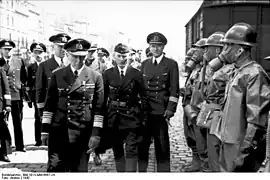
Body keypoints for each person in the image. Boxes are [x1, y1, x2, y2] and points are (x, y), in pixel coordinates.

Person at [41, 38, 104, 172]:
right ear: (67, 54)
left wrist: (95, 134)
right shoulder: (57, 75)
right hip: (59, 131)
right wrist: (45, 130)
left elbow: (99, 110)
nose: (79, 60)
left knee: (79, 171)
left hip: (82, 132)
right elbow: (49, 105)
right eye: (75, 56)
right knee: (55, 169)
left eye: (82, 57)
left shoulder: (95, 76)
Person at [217, 22, 270, 172]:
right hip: (228, 141)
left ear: (239, 50)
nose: (224, 51)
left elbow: (257, 120)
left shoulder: (255, 74)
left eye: (227, 46)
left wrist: (245, 152)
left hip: (239, 146)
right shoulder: (237, 71)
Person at [102, 43, 148, 172]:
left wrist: (144, 119)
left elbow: (144, 97)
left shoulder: (136, 74)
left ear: (129, 57)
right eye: (119, 56)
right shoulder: (108, 74)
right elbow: (102, 98)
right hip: (114, 117)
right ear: (114, 56)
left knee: (131, 150)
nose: (122, 59)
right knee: (117, 149)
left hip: (131, 117)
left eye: (124, 56)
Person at [138, 32, 180, 172]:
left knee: (162, 146)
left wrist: (170, 109)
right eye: (152, 46)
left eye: (158, 46)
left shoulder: (171, 64)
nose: (155, 49)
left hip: (161, 111)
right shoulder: (144, 64)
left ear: (163, 47)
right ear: (149, 47)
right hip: (145, 111)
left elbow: (174, 90)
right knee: (142, 145)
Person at [35, 33, 71, 134]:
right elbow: (40, 89)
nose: (63, 49)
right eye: (60, 46)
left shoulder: (72, 65)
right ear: (53, 47)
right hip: (52, 110)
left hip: (70, 111)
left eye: (65, 47)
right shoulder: (44, 66)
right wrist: (41, 111)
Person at [0, 41, 28, 152]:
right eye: (5, 49)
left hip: (16, 95)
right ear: (1, 50)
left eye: (10, 49)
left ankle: (20, 145)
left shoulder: (18, 61)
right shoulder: (1, 62)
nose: (8, 51)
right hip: (3, 97)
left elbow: (24, 77)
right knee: (3, 123)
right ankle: (6, 147)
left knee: (18, 121)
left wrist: (21, 88)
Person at [26, 42, 47, 146]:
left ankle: (48, 138)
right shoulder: (31, 67)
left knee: (49, 115)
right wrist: (29, 99)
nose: (38, 54)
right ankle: (38, 140)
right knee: (38, 117)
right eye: (36, 52)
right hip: (36, 95)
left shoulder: (48, 65)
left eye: (40, 52)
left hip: (48, 94)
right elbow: (28, 84)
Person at [92, 47, 110, 166]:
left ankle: (96, 153)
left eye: (102, 55)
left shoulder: (105, 67)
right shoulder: (86, 65)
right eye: (98, 54)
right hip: (88, 98)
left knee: (99, 128)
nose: (100, 57)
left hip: (101, 99)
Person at [0, 66, 12, 162]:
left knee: (3, 131)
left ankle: (4, 153)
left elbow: (6, 87)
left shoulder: (0, 70)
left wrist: (7, 104)